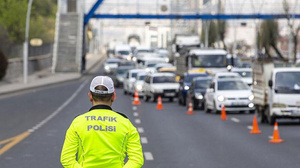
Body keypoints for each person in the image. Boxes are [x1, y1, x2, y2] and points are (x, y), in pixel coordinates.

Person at [61, 76, 144, 168]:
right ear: (113, 97)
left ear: (90, 96)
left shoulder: (78, 123)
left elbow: (66, 158)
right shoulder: (125, 123)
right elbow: (137, 159)